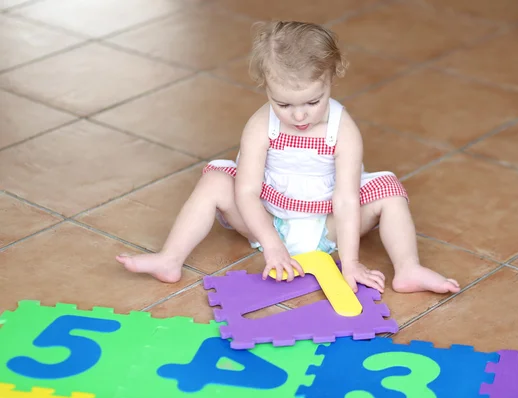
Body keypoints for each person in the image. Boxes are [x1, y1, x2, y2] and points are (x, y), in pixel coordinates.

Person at [116, 21, 460, 295]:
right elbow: (247, 192)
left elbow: (345, 198)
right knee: (216, 180)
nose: (299, 116)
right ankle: (169, 259)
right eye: (283, 104)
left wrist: (351, 263)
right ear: (265, 86)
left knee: (389, 191)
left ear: (332, 77)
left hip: (330, 227)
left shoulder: (343, 130)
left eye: (313, 102)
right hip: (267, 221)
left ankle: (408, 268)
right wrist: (273, 245)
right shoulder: (259, 125)